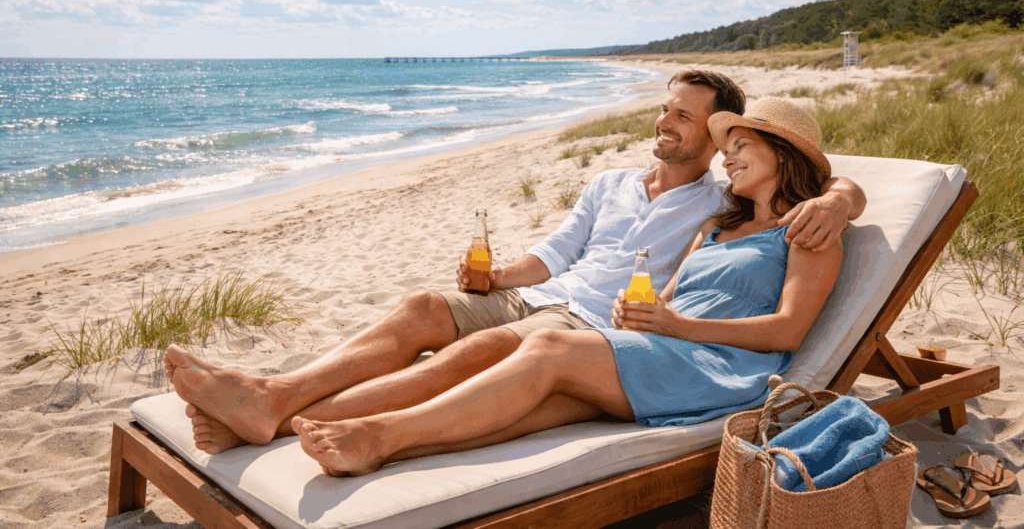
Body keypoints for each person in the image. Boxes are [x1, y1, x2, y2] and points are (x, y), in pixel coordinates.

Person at [163, 72, 865, 455]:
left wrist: (840, 197)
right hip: (620, 327)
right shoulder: (712, 219)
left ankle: (346, 427)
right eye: (665, 111)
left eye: (690, 119)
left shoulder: (761, 210)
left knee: (521, 354)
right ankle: (278, 406)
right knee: (440, 320)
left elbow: (789, 313)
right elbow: (563, 254)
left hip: (659, 345)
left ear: (777, 156)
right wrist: (497, 278)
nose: (667, 123)